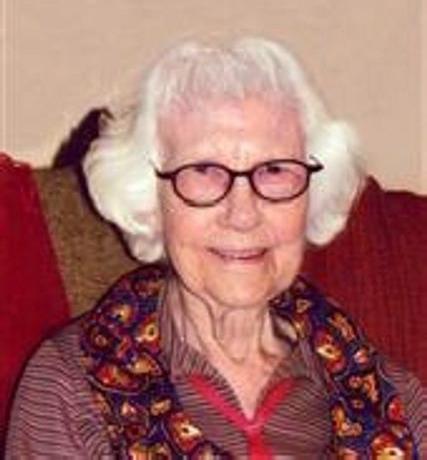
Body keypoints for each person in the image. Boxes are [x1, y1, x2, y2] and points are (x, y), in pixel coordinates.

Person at [6, 37, 425, 458]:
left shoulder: (394, 401)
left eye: (274, 170)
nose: (242, 214)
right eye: (204, 170)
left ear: (312, 198)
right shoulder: (72, 385)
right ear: (151, 203)